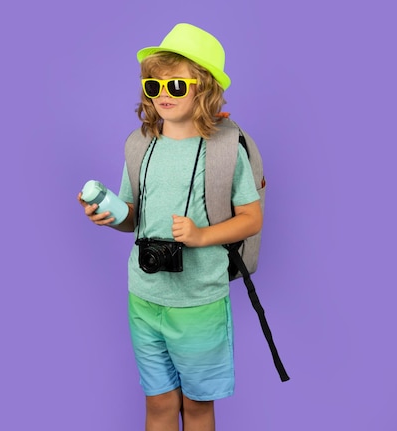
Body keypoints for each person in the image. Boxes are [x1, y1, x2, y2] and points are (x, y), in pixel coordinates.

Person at [78, 23, 262, 431]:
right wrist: (110, 216)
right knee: (159, 405)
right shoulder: (139, 144)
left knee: (196, 407)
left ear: (205, 89)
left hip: (198, 302)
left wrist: (200, 236)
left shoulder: (226, 150)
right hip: (144, 298)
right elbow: (132, 217)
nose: (162, 95)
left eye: (176, 86)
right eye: (153, 85)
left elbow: (252, 218)